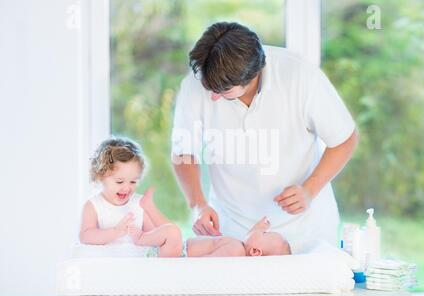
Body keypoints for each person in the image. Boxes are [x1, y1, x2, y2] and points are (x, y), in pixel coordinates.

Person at [171, 22, 359, 253]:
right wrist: (198, 205)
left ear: (251, 77)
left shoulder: (300, 76)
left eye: (223, 91)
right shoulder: (196, 83)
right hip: (233, 230)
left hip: (304, 229)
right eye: (210, 88)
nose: (212, 97)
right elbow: (183, 153)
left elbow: (344, 138)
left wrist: (309, 190)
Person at [79, 137, 183, 257]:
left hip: (140, 261)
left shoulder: (138, 203)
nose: (127, 188)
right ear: (100, 176)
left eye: (133, 182)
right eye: (119, 182)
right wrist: (115, 232)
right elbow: (85, 236)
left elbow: (155, 235)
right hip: (110, 263)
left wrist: (149, 209)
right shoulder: (93, 205)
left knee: (173, 233)